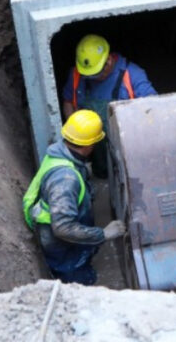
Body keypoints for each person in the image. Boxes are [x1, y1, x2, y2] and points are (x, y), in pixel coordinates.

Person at [22, 110, 126, 285]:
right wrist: (104, 234)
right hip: (59, 243)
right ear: (89, 145)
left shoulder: (58, 153)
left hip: (52, 229)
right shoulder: (66, 179)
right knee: (78, 280)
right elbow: (63, 228)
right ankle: (79, 281)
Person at [61, 34, 157, 179]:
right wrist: (77, 134)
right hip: (93, 149)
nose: (92, 78)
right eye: (88, 75)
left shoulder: (132, 75)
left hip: (127, 147)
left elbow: (154, 107)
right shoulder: (76, 75)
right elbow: (68, 101)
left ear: (109, 60)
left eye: (96, 74)